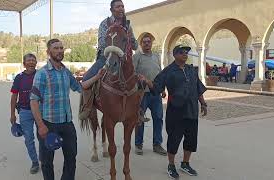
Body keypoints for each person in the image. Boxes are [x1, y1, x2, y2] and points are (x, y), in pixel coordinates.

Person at [139, 45, 208, 179]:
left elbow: (198, 88)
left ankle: (185, 163)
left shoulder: (191, 70)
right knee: (174, 140)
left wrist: (203, 103)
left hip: (192, 111)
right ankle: (171, 165)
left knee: (191, 140)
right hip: (176, 112)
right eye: (181, 52)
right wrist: (147, 81)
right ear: (175, 55)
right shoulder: (168, 71)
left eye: (186, 52)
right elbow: (157, 86)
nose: (185, 54)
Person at [30, 39, 81, 180]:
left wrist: (98, 76)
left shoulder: (66, 72)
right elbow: (33, 101)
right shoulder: (42, 74)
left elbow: (79, 87)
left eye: (61, 48)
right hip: (48, 124)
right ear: (48, 52)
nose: (59, 51)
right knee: (47, 162)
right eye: (56, 48)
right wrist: (40, 125)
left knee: (71, 158)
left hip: (67, 123)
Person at [79, 0, 138, 120]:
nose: (121, 8)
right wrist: (115, 49)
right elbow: (101, 43)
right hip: (105, 58)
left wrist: (131, 40)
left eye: (122, 6)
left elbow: (135, 45)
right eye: (118, 7)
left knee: (140, 80)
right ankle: (87, 107)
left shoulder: (128, 25)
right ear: (111, 10)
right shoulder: (105, 24)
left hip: (124, 60)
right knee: (86, 79)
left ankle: (138, 109)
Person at [133, 33, 167, 156]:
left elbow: (160, 74)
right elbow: (132, 73)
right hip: (141, 94)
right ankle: (138, 144)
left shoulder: (156, 56)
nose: (147, 44)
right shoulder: (137, 57)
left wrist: (162, 89)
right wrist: (140, 78)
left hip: (156, 94)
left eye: (149, 42)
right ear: (141, 44)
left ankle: (157, 145)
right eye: (144, 42)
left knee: (158, 119)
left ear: (151, 43)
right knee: (139, 120)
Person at [10, 53, 39, 174]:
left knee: (43, 136)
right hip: (25, 112)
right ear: (24, 63)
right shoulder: (19, 77)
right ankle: (35, 162)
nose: (31, 62)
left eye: (33, 60)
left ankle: (45, 159)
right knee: (29, 139)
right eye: (29, 60)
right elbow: (14, 96)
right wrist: (12, 114)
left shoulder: (41, 74)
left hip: (40, 111)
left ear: (36, 63)